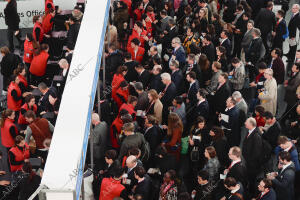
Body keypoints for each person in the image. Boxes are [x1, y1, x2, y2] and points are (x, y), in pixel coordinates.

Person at [243, 117, 263, 195]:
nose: (245, 123)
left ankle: (251, 192)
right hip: (249, 161)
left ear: (251, 124)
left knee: (252, 179)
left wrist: (249, 160)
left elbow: (256, 153)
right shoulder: (250, 131)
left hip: (252, 164)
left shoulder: (256, 136)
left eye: (246, 122)